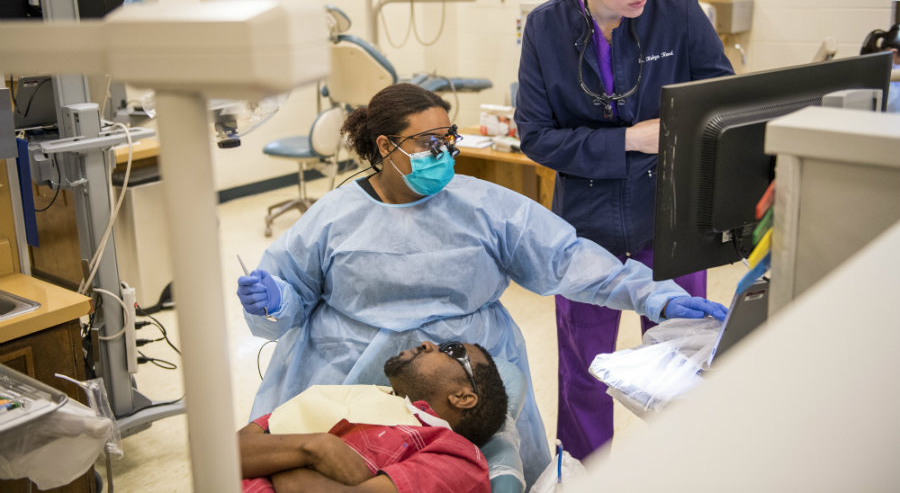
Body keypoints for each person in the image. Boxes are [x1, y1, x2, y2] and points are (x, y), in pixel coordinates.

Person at [237, 83, 726, 486]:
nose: (443, 153)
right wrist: (275, 300)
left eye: (447, 139)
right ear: (386, 148)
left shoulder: (485, 206)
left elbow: (568, 258)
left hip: (461, 375)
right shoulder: (332, 217)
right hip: (348, 369)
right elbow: (290, 295)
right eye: (426, 143)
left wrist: (654, 296)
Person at [513, 0, 734, 460]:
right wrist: (628, 140)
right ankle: (591, 470)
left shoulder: (679, 8)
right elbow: (536, 136)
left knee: (682, 359)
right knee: (586, 367)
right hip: (586, 224)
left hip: (671, 212)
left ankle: (687, 465)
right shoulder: (544, 27)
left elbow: (721, 102)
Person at [239, 341, 507, 493]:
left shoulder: (458, 458)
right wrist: (317, 447)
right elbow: (222, 454)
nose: (428, 343)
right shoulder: (354, 396)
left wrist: (280, 455)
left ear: (463, 397)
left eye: (451, 350)